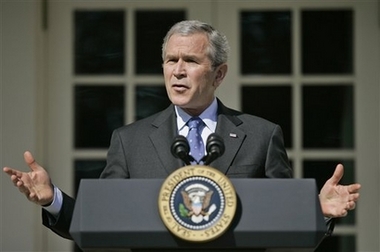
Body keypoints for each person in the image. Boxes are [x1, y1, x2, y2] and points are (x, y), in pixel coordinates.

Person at [4, 20, 360, 242]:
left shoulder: (262, 135)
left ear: (218, 74)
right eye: (171, 60)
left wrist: (318, 212)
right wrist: (53, 200)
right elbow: (97, 223)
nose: (177, 70)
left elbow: (287, 225)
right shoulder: (129, 141)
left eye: (190, 61)